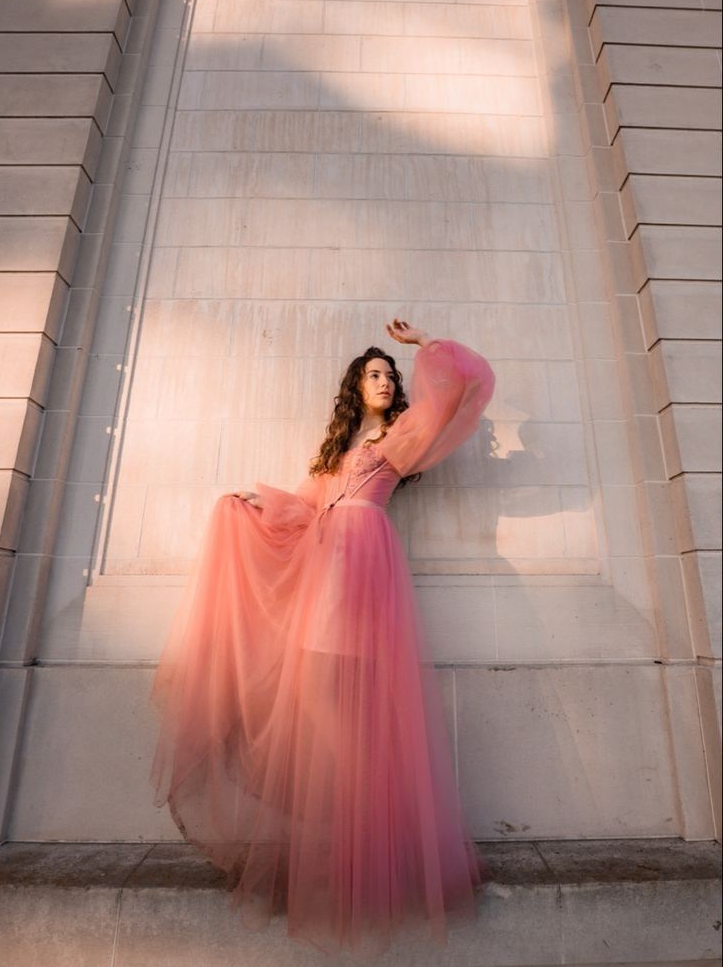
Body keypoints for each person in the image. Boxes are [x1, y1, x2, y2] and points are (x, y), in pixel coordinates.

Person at [149, 319, 496, 955]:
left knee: (348, 693)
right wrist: (250, 505)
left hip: (363, 564)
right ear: (354, 388)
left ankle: (364, 826)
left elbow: (466, 385)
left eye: (392, 375)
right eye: (376, 374)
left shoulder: (404, 436)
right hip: (324, 564)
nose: (387, 381)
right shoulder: (338, 447)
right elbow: (303, 507)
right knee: (311, 691)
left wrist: (425, 347)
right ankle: (348, 811)